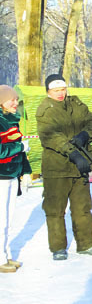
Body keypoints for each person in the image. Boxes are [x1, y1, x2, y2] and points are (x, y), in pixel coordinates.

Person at [36, 74, 92, 260]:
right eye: (56, 90)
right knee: (55, 209)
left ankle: (86, 244)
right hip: (57, 167)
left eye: (62, 89)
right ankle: (58, 248)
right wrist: (72, 153)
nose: (60, 93)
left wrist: (84, 135)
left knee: (83, 207)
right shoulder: (45, 110)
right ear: (48, 91)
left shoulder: (77, 104)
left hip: (80, 166)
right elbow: (50, 136)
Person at [0, 85, 32, 273]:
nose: (15, 102)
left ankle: (5, 255)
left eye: (16, 99)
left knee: (8, 218)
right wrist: (20, 148)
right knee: (1, 219)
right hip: (1, 176)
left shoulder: (12, 120)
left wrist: (25, 171)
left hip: (12, 175)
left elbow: (21, 151)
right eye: (10, 99)